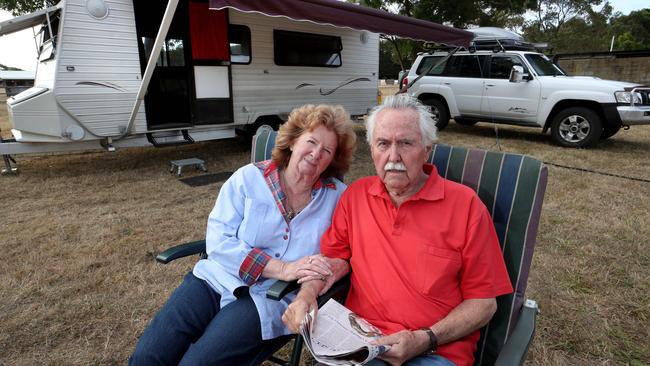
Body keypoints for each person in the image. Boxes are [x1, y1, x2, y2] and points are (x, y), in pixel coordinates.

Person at [283, 95, 513, 366]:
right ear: (372, 151)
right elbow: (334, 261)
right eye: (383, 144)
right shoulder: (355, 196)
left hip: (435, 351)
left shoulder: (466, 207)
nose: (393, 157)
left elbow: (484, 304)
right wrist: (307, 295)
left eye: (405, 143)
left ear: (427, 149)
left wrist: (425, 338)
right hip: (363, 343)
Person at [130, 104, 357, 365]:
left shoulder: (338, 197)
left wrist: (305, 284)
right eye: (311, 142)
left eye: (327, 150)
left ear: (333, 160)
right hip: (214, 279)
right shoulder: (248, 179)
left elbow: (339, 254)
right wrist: (282, 267)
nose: (316, 153)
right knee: (148, 357)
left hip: (271, 297)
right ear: (293, 141)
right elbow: (218, 240)